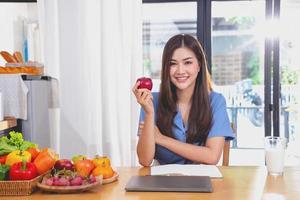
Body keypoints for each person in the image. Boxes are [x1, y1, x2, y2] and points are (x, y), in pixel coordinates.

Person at [132, 34, 235, 167]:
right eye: (173, 64)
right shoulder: (151, 102)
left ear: (199, 66)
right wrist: (150, 113)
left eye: (187, 62)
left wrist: (161, 139)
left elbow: (212, 156)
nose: (180, 71)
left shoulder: (216, 101)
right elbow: (145, 161)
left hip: (201, 180)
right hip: (162, 181)